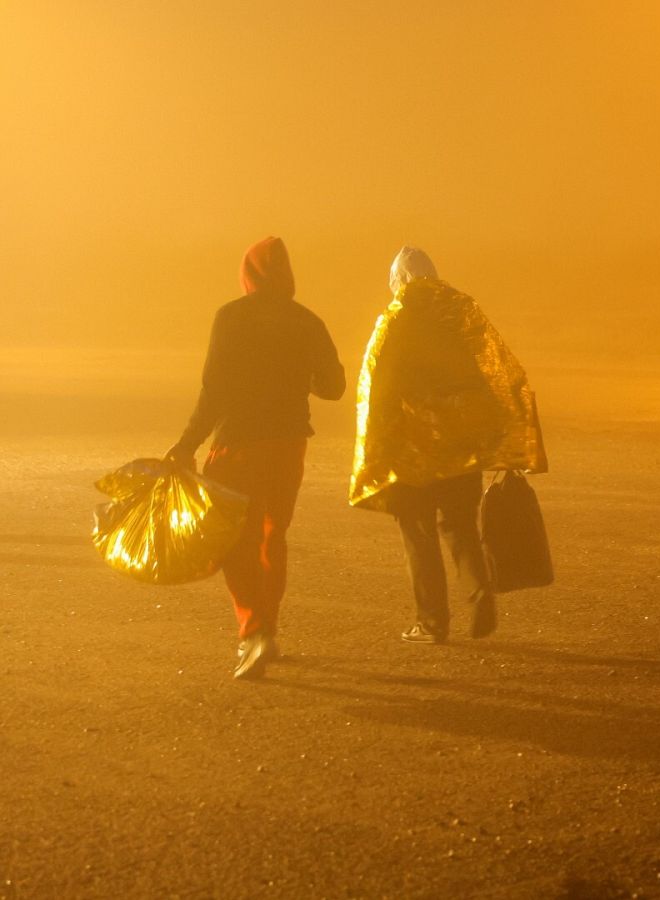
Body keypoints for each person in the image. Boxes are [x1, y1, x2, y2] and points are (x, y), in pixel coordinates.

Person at [166, 236, 345, 680]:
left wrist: (187, 443)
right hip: (287, 445)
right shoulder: (307, 321)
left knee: (234, 539)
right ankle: (268, 628)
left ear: (247, 274)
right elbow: (334, 387)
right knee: (272, 535)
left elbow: (214, 390)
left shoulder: (230, 317)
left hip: (239, 444)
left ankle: (254, 632)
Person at [349, 247, 546, 644]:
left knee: (418, 534)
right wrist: (496, 437)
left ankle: (432, 622)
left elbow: (378, 389)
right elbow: (491, 373)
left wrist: (379, 448)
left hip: (412, 452)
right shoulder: (460, 316)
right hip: (461, 447)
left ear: (399, 281)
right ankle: (478, 591)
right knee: (460, 526)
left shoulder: (395, 322)